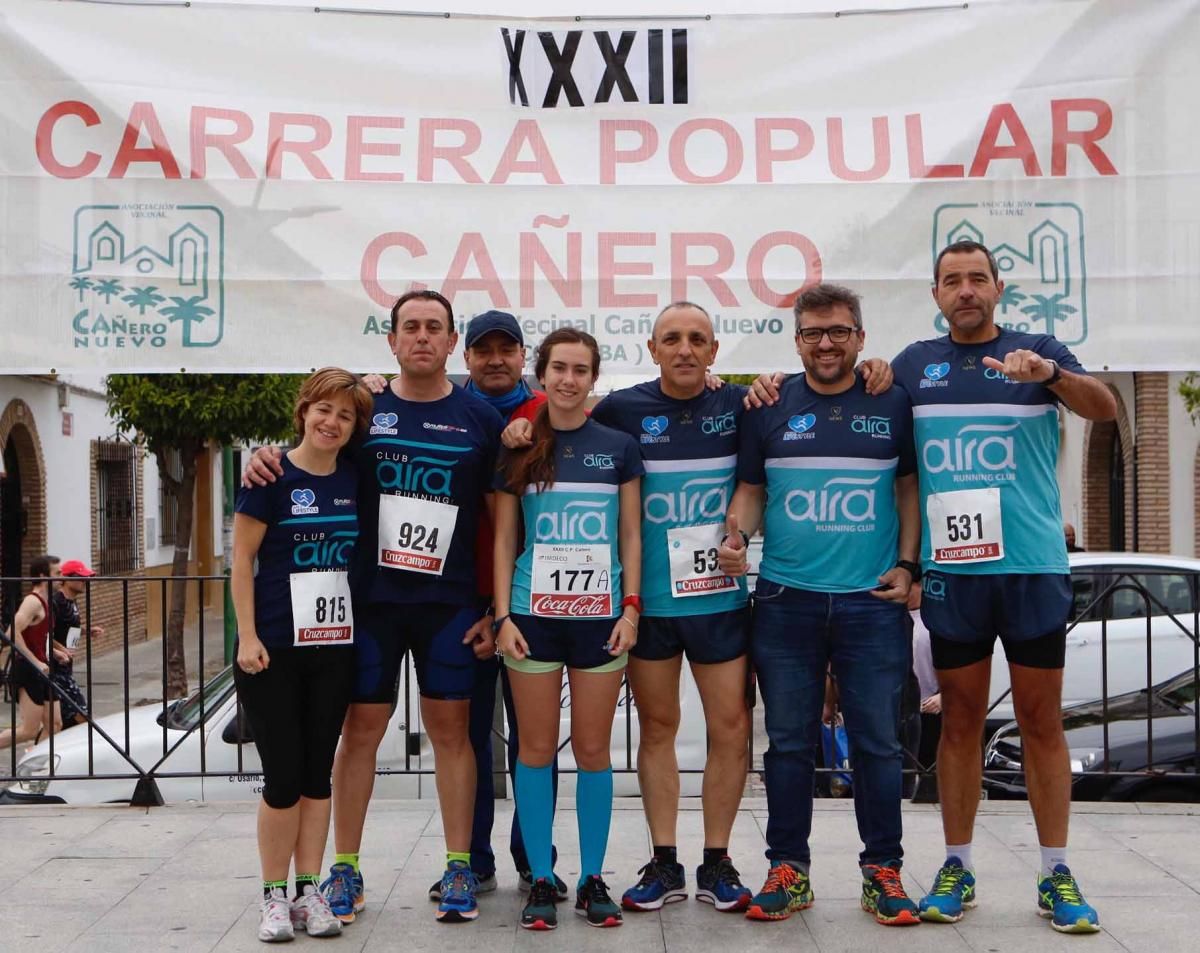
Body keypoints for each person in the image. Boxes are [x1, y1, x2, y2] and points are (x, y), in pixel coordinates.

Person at [245, 290, 502, 925]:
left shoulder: (480, 419)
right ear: (391, 341)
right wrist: (267, 456)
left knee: (453, 735)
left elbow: (502, 518)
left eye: (433, 328)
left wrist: (494, 606)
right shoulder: (365, 413)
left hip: (449, 605)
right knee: (358, 735)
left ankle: (459, 865)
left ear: (450, 344)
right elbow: (315, 449)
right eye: (409, 327)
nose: (421, 337)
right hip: (369, 607)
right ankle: (344, 870)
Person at [892, 238, 1117, 934]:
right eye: (951, 281)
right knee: (957, 723)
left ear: (997, 288)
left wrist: (1050, 373)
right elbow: (880, 433)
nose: (965, 290)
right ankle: (957, 864)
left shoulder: (1036, 349)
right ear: (936, 295)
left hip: (1031, 567)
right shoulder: (914, 365)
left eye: (977, 279)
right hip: (956, 573)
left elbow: (1103, 406)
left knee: (1042, 722)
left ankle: (1055, 870)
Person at [718, 282, 922, 927]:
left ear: (860, 336)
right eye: (813, 332)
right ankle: (788, 869)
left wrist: (909, 565)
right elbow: (751, 491)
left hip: (871, 602)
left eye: (839, 331)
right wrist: (735, 533)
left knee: (878, 745)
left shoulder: (892, 399)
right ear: (798, 339)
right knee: (787, 744)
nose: (827, 343)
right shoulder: (770, 405)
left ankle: (882, 871)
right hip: (784, 599)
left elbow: (910, 491)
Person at [493, 327, 643, 931]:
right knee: (533, 752)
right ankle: (539, 879)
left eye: (580, 370)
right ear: (541, 374)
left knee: (592, 751)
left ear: (593, 378)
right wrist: (502, 614)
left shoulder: (619, 445)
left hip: (601, 621)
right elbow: (506, 536)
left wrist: (632, 609)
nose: (568, 379)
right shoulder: (519, 445)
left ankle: (592, 878)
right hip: (531, 617)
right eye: (558, 368)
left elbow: (629, 533)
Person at [233, 367, 372, 943]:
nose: (332, 422)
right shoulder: (269, 475)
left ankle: (308, 890)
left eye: (345, 414)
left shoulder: (356, 479)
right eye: (323, 409)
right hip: (272, 650)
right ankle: (271, 896)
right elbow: (241, 560)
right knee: (282, 777)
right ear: (303, 411)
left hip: (333, 649)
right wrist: (246, 636)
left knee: (318, 777)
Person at [0, 555, 67, 750]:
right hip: (27, 669)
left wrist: (54, 653)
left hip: (43, 670)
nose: (61, 576)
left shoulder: (48, 601)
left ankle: (38, 768)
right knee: (28, 730)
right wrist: (35, 662)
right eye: (57, 573)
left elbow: (37, 636)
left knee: (55, 725)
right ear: (42, 575)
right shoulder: (33, 601)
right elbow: (11, 633)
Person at [51, 559, 104, 729]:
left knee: (61, 723)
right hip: (55, 667)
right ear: (67, 579)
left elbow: (68, 627)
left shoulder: (72, 602)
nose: (85, 582)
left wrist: (86, 631)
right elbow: (44, 635)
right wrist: (61, 650)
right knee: (81, 716)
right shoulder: (56, 602)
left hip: (66, 666)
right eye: (81, 578)